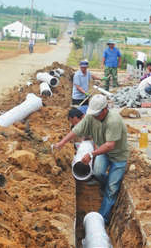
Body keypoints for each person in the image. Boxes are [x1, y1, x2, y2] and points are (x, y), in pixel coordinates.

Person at [55, 95, 129, 225]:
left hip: (118, 156)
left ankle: (102, 219)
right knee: (98, 172)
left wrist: (91, 154)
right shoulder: (91, 116)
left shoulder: (114, 121)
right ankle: (104, 185)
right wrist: (63, 142)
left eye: (97, 114)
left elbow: (110, 145)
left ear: (105, 109)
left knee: (112, 188)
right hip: (103, 151)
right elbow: (77, 130)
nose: (94, 117)